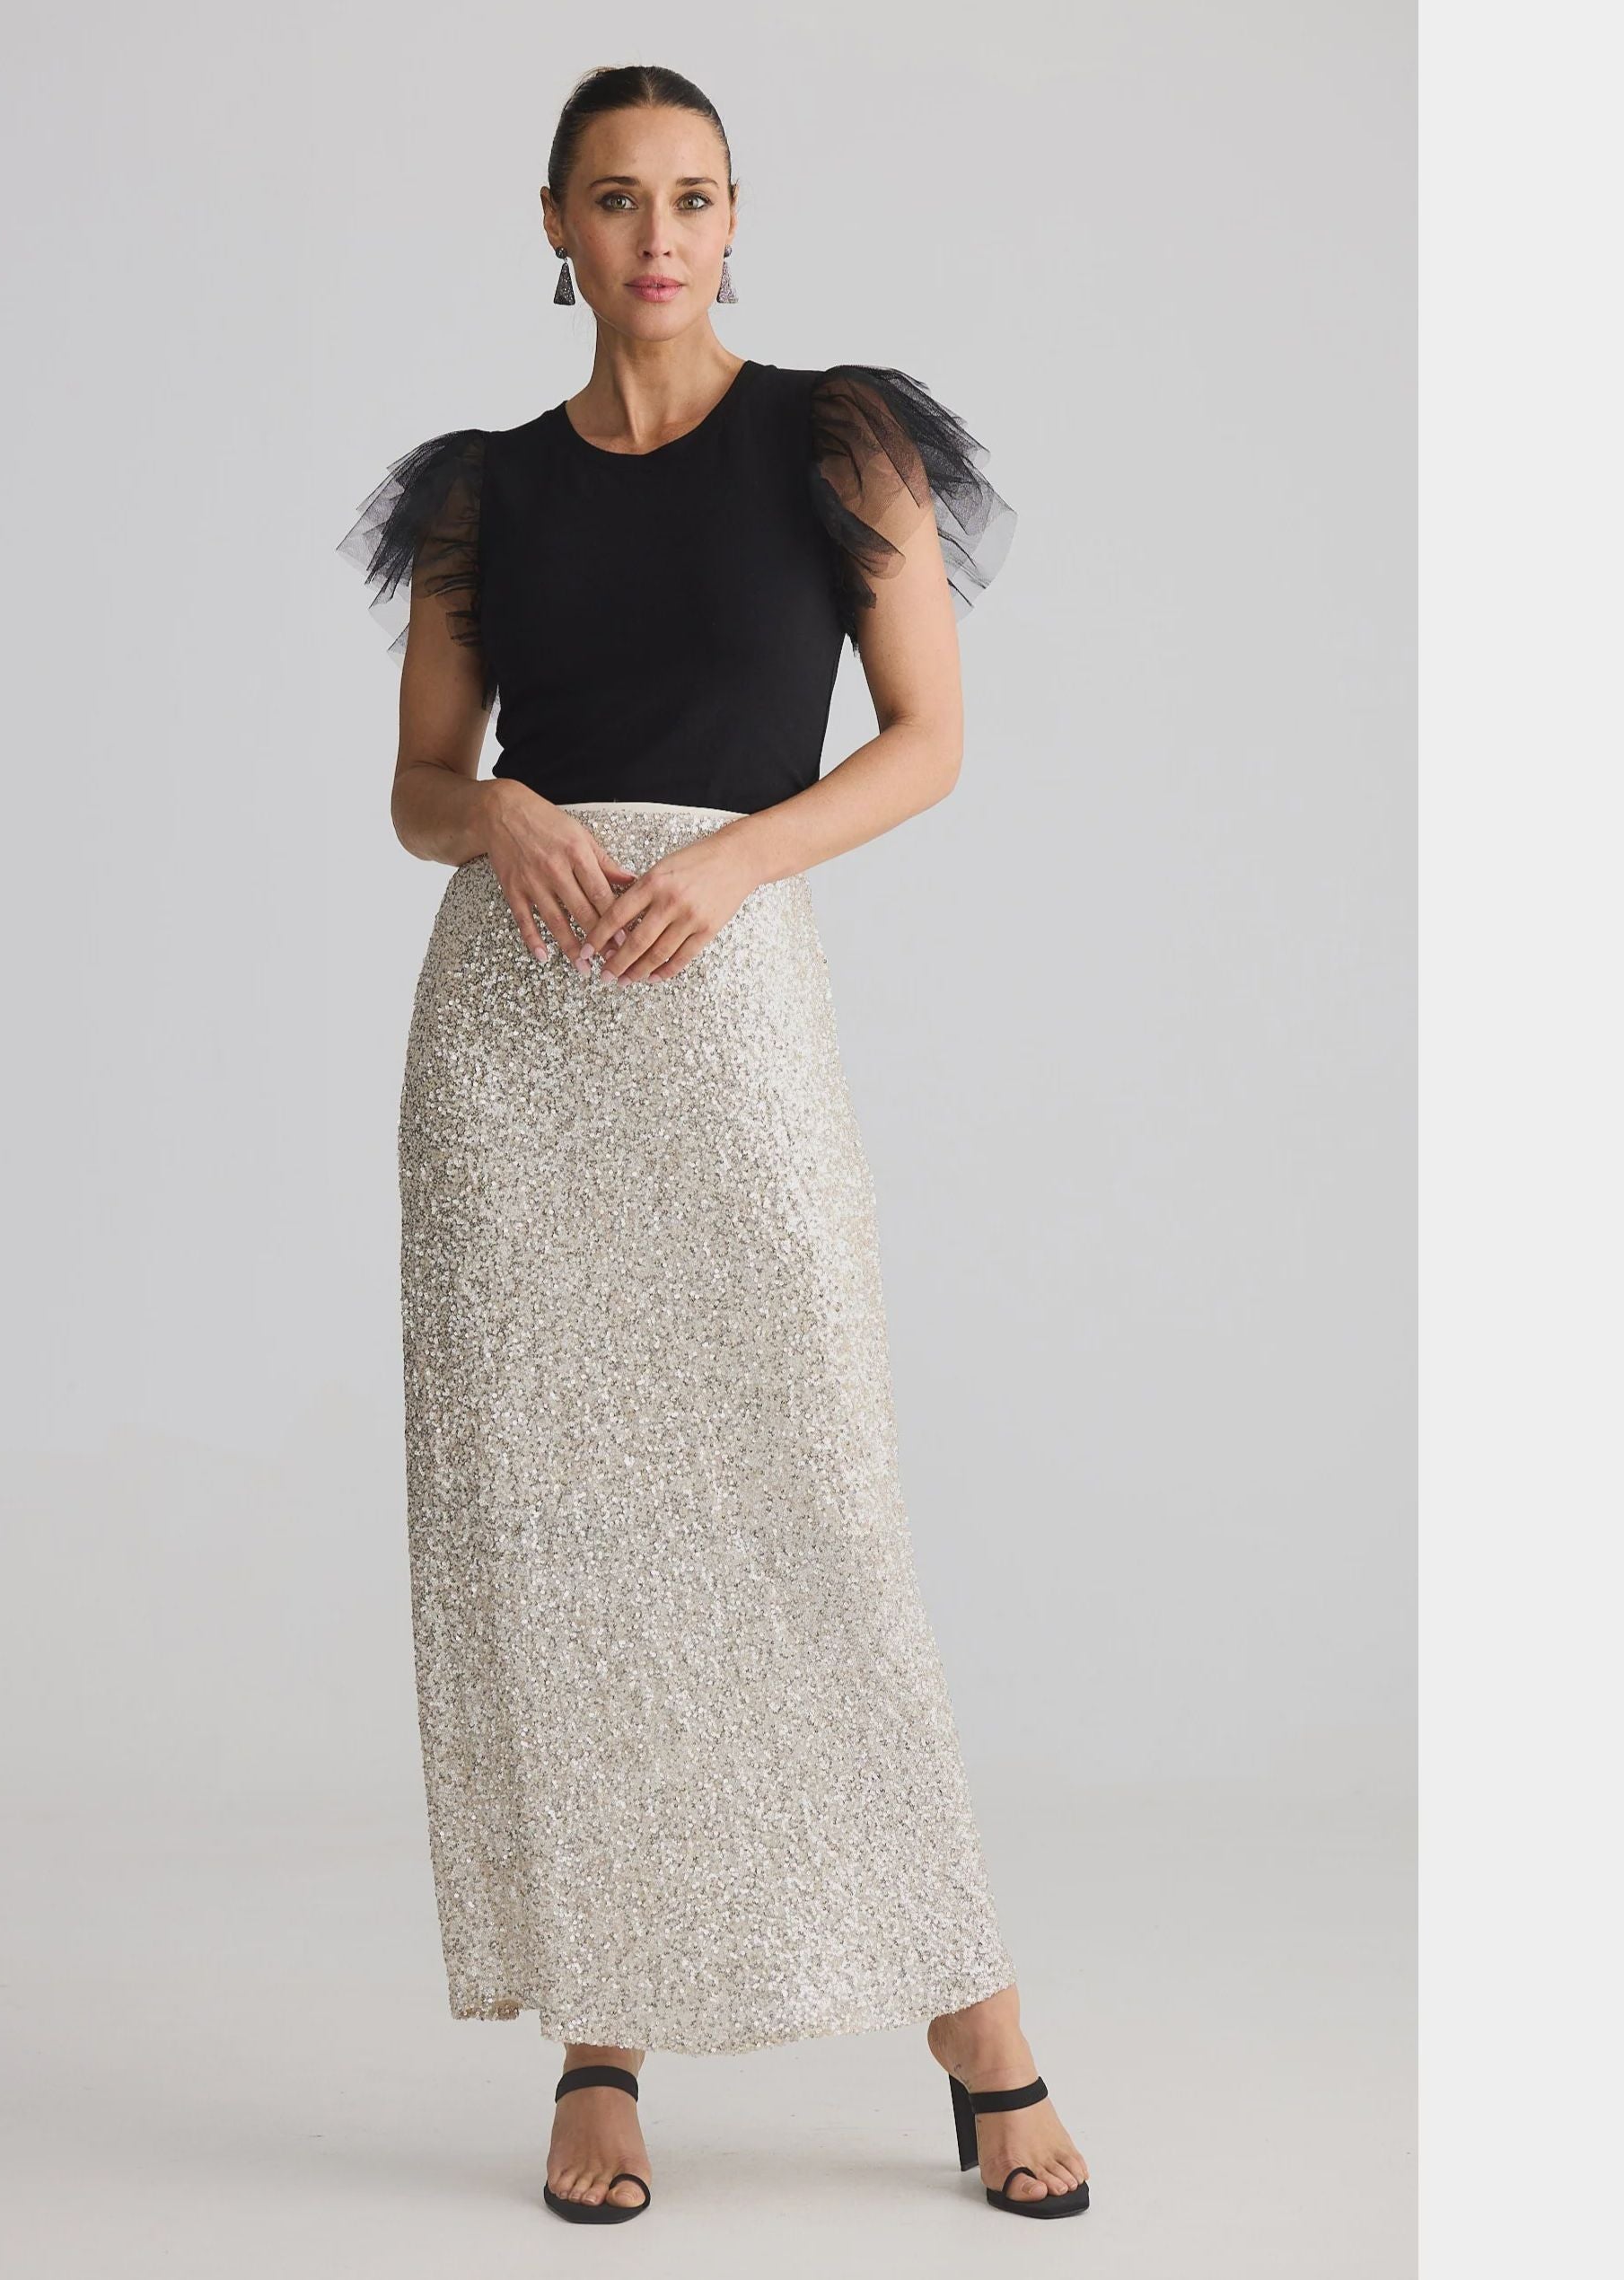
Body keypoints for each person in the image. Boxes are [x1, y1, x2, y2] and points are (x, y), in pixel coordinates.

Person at [338, 63, 1091, 2227]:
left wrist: (740, 862)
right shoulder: (482, 495)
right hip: (516, 1034)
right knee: (562, 1544)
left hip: (727, 992)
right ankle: (600, 2040)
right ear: (553, 226)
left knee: (812, 1502)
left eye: (691, 196)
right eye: (614, 197)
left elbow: (928, 739)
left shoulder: (834, 442)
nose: (656, 235)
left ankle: (972, 2011)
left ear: (735, 219)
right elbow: (417, 787)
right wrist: (497, 811)